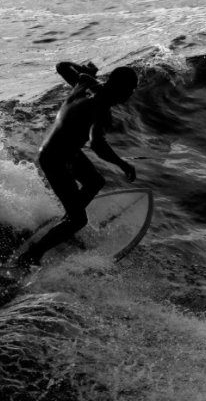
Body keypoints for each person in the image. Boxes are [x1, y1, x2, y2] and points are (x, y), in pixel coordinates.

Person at [17, 61, 138, 266]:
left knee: (95, 182)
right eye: (130, 90)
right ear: (121, 89)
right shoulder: (99, 109)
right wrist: (123, 164)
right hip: (55, 160)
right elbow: (98, 145)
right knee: (79, 220)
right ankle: (31, 256)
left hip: (63, 151)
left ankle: (66, 223)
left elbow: (61, 66)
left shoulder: (85, 83)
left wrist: (84, 69)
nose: (131, 95)